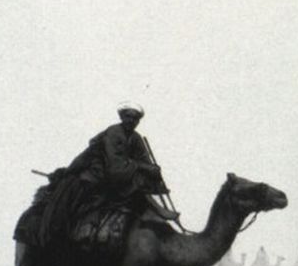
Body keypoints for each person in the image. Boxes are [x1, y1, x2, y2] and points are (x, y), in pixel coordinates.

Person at [14, 102, 178, 247]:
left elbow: (144, 161)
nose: (132, 121)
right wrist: (144, 167)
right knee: (78, 200)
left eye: (135, 119)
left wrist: (154, 170)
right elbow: (116, 166)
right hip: (97, 173)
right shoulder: (114, 133)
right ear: (122, 117)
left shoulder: (136, 138)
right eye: (128, 117)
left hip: (117, 176)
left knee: (141, 185)